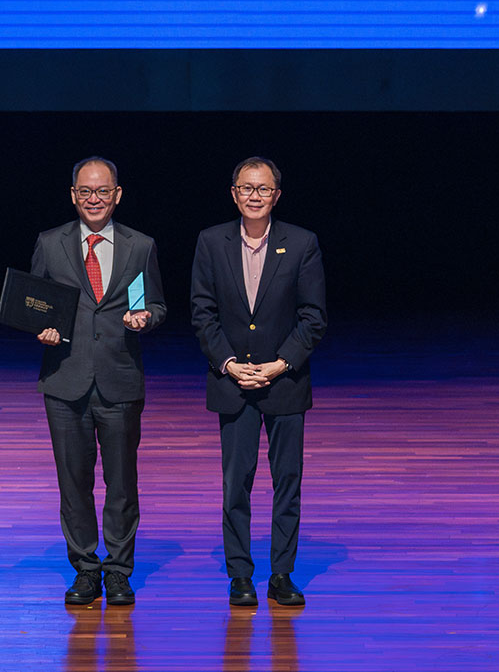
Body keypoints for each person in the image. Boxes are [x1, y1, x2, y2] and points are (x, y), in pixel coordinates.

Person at [190, 157, 326, 607]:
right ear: (234, 194)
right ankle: (240, 575)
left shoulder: (302, 243)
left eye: (263, 189)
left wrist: (279, 364)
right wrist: (229, 364)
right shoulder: (211, 242)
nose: (254, 196)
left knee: (287, 481)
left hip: (284, 383)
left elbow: (313, 318)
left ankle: (282, 574)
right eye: (246, 188)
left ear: (276, 196)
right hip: (233, 383)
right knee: (237, 483)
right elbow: (202, 314)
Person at [31, 157, 166, 606]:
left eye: (102, 192)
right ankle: (86, 569)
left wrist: (145, 318)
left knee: (122, 483)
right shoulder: (50, 244)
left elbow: (155, 304)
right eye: (85, 192)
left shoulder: (139, 246)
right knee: (73, 482)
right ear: (73, 195)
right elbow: (35, 304)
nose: (94, 200)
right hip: (65, 380)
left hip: (119, 381)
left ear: (117, 194)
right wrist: (42, 326)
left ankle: (119, 569)